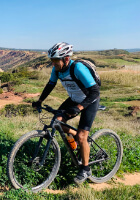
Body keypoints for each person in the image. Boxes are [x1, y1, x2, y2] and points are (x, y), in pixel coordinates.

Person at [32, 42, 100, 184]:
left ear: (66, 59)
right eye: (52, 60)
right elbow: (51, 84)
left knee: (82, 136)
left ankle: (85, 169)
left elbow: (95, 92)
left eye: (56, 60)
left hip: (89, 101)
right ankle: (77, 141)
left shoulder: (78, 68)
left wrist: (79, 108)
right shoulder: (56, 70)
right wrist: (40, 101)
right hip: (74, 99)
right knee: (56, 122)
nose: (53, 63)